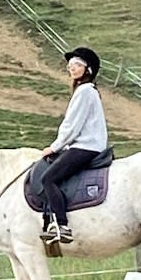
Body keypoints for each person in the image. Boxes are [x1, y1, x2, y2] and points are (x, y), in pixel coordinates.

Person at [37, 47, 108, 245]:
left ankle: (62, 225)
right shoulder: (88, 91)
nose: (72, 69)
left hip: (85, 146)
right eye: (70, 66)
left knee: (48, 179)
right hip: (88, 144)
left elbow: (72, 125)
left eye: (77, 65)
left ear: (88, 69)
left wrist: (55, 146)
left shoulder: (84, 92)